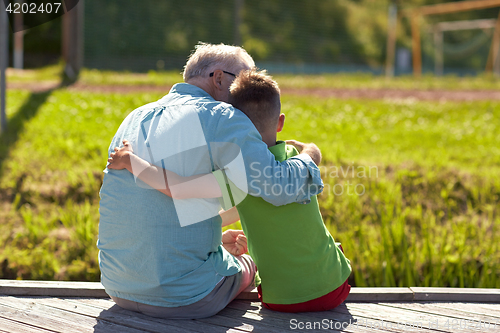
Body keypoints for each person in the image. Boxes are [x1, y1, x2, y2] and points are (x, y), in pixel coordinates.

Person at [98, 43, 324, 319]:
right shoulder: (224, 116)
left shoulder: (134, 117)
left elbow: (162, 202)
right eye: (242, 80)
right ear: (218, 78)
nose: (246, 92)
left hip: (117, 287)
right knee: (252, 262)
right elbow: (278, 186)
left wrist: (213, 236)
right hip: (186, 297)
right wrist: (310, 155)